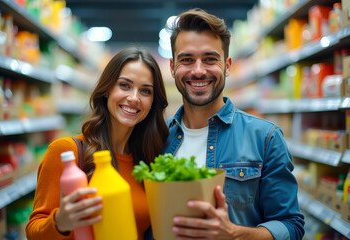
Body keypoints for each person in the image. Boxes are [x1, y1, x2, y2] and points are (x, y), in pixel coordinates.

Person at [163, 8, 305, 240]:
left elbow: (291, 226)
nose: (198, 71)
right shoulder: (156, 137)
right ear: (172, 68)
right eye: (186, 60)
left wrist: (235, 234)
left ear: (228, 66)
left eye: (210, 59)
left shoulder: (265, 138)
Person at [26, 47, 168, 240]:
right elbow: (34, 232)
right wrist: (60, 222)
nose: (134, 98)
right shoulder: (67, 152)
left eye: (145, 91)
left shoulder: (148, 160)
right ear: (107, 89)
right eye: (125, 85)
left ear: (153, 102)